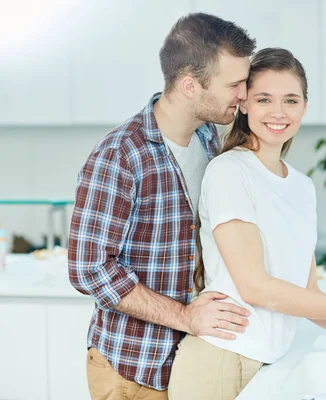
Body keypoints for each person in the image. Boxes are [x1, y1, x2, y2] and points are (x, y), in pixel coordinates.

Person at [168, 48, 326, 400]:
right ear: (244, 105)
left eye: (290, 100)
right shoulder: (230, 172)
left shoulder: (302, 187)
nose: (278, 112)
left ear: (304, 106)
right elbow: (255, 286)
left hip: (269, 364)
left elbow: (309, 296)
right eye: (264, 99)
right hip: (220, 363)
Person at [68, 13, 256, 399]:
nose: (243, 94)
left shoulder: (208, 139)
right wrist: (186, 317)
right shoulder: (120, 155)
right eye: (234, 84)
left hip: (188, 364)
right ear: (190, 85)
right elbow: (89, 268)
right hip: (130, 371)